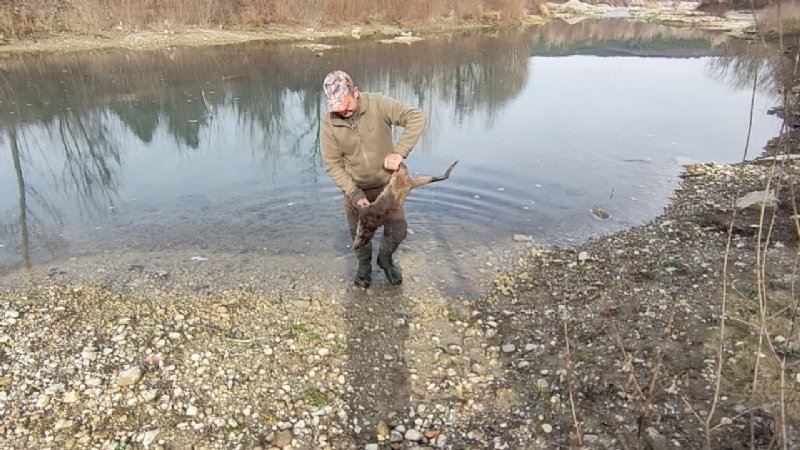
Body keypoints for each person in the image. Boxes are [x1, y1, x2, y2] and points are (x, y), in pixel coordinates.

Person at [320, 70, 427, 288]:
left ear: (356, 92)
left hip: (388, 186)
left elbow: (417, 117)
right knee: (360, 236)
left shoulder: (378, 104)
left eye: (347, 106)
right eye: (338, 109)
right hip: (355, 187)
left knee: (398, 231)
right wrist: (354, 194)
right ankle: (364, 268)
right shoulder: (329, 124)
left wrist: (399, 152)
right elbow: (333, 164)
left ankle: (385, 259)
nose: (344, 112)